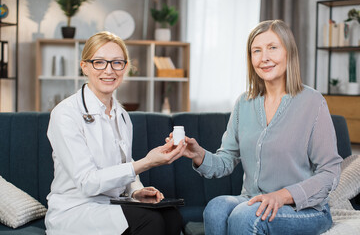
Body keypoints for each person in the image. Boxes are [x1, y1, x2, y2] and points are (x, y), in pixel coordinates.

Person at [172, 20, 343, 235]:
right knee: (216, 208)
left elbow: (330, 172)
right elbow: (226, 161)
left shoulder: (312, 102)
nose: (264, 58)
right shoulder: (244, 103)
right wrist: (198, 155)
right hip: (252, 200)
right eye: (257, 51)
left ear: (288, 52)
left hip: (302, 209)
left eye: (272, 48)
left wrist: (282, 195)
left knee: (247, 214)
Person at [45, 31, 186, 235]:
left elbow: (124, 162)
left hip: (112, 204)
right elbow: (87, 182)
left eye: (117, 63)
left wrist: (135, 190)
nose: (109, 70)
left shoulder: (122, 115)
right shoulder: (65, 114)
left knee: (171, 215)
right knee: (150, 221)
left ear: (125, 67)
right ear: (84, 66)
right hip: (75, 210)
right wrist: (146, 162)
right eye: (99, 62)